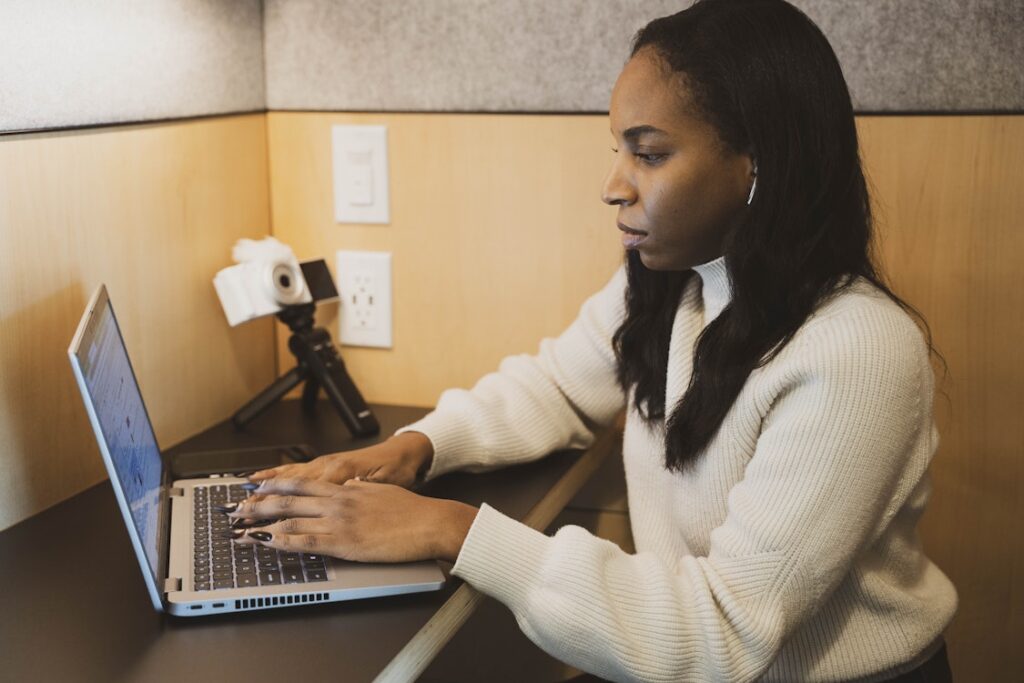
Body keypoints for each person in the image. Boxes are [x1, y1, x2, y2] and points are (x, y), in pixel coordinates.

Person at [224, 1, 958, 680]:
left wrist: (450, 529)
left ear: (755, 164)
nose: (613, 185)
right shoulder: (675, 278)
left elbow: (720, 633)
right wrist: (413, 449)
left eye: (649, 154)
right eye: (617, 150)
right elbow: (556, 384)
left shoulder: (857, 350)